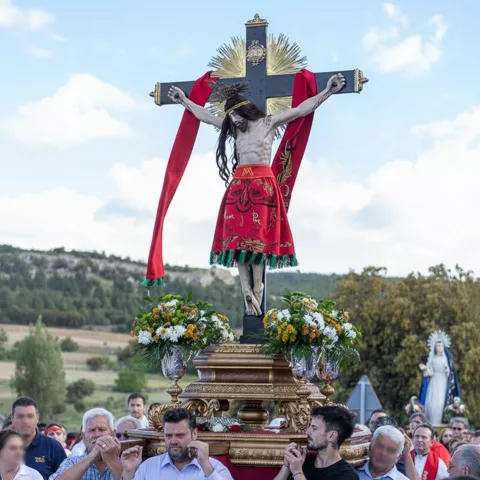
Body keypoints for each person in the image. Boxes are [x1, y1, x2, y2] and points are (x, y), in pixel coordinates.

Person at [167, 72, 346, 316]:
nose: (232, 121)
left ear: (244, 110)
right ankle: (245, 288)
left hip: (263, 186)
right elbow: (206, 117)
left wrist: (327, 92)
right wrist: (183, 101)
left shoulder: (268, 123)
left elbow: (302, 109)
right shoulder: (234, 128)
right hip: (239, 185)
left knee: (258, 239)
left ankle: (258, 286)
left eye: (234, 115)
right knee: (235, 238)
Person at [120, 408, 233, 480]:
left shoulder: (215, 468)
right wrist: (128, 472)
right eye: (168, 435)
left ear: (194, 434)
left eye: (180, 435)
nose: (173, 441)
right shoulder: (148, 467)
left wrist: (205, 466)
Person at [274, 405, 358, 480]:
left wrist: (297, 472)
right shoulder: (302, 462)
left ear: (331, 436)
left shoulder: (347, 475)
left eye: (314, 428)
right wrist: (287, 466)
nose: (307, 432)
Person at [49, 408, 122, 480]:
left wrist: (112, 461)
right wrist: (91, 457)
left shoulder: (125, 463)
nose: (97, 435)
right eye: (92, 430)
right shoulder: (71, 463)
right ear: (83, 436)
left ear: (113, 434)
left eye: (102, 429)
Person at [11, 397, 66, 480]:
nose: (25, 421)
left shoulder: (53, 447)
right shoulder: (3, 446)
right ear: (12, 419)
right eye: (20, 416)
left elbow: (67, 476)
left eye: (30, 416)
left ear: (37, 418)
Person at [418, 331, 461, 426]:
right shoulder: (432, 359)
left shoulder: (446, 359)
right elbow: (430, 372)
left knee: (440, 403)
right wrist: (426, 369)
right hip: (434, 383)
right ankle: (431, 423)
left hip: (443, 383)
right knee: (431, 403)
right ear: (434, 348)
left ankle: (438, 422)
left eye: (440, 346)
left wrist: (447, 371)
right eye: (437, 346)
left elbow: (451, 373)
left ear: (443, 347)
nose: (439, 348)